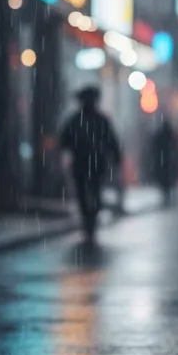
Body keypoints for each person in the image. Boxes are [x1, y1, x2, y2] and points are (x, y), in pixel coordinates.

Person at [59, 86, 122, 240]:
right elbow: (112, 141)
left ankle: (89, 219)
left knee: (87, 191)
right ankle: (90, 218)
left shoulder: (77, 120)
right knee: (92, 191)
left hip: (86, 163)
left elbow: (63, 140)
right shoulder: (97, 120)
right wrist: (115, 157)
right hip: (91, 163)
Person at [150, 116, 178, 206]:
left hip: (163, 162)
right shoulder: (171, 136)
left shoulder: (159, 136)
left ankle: (166, 194)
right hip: (167, 162)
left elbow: (153, 148)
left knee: (164, 179)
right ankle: (167, 194)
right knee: (167, 179)